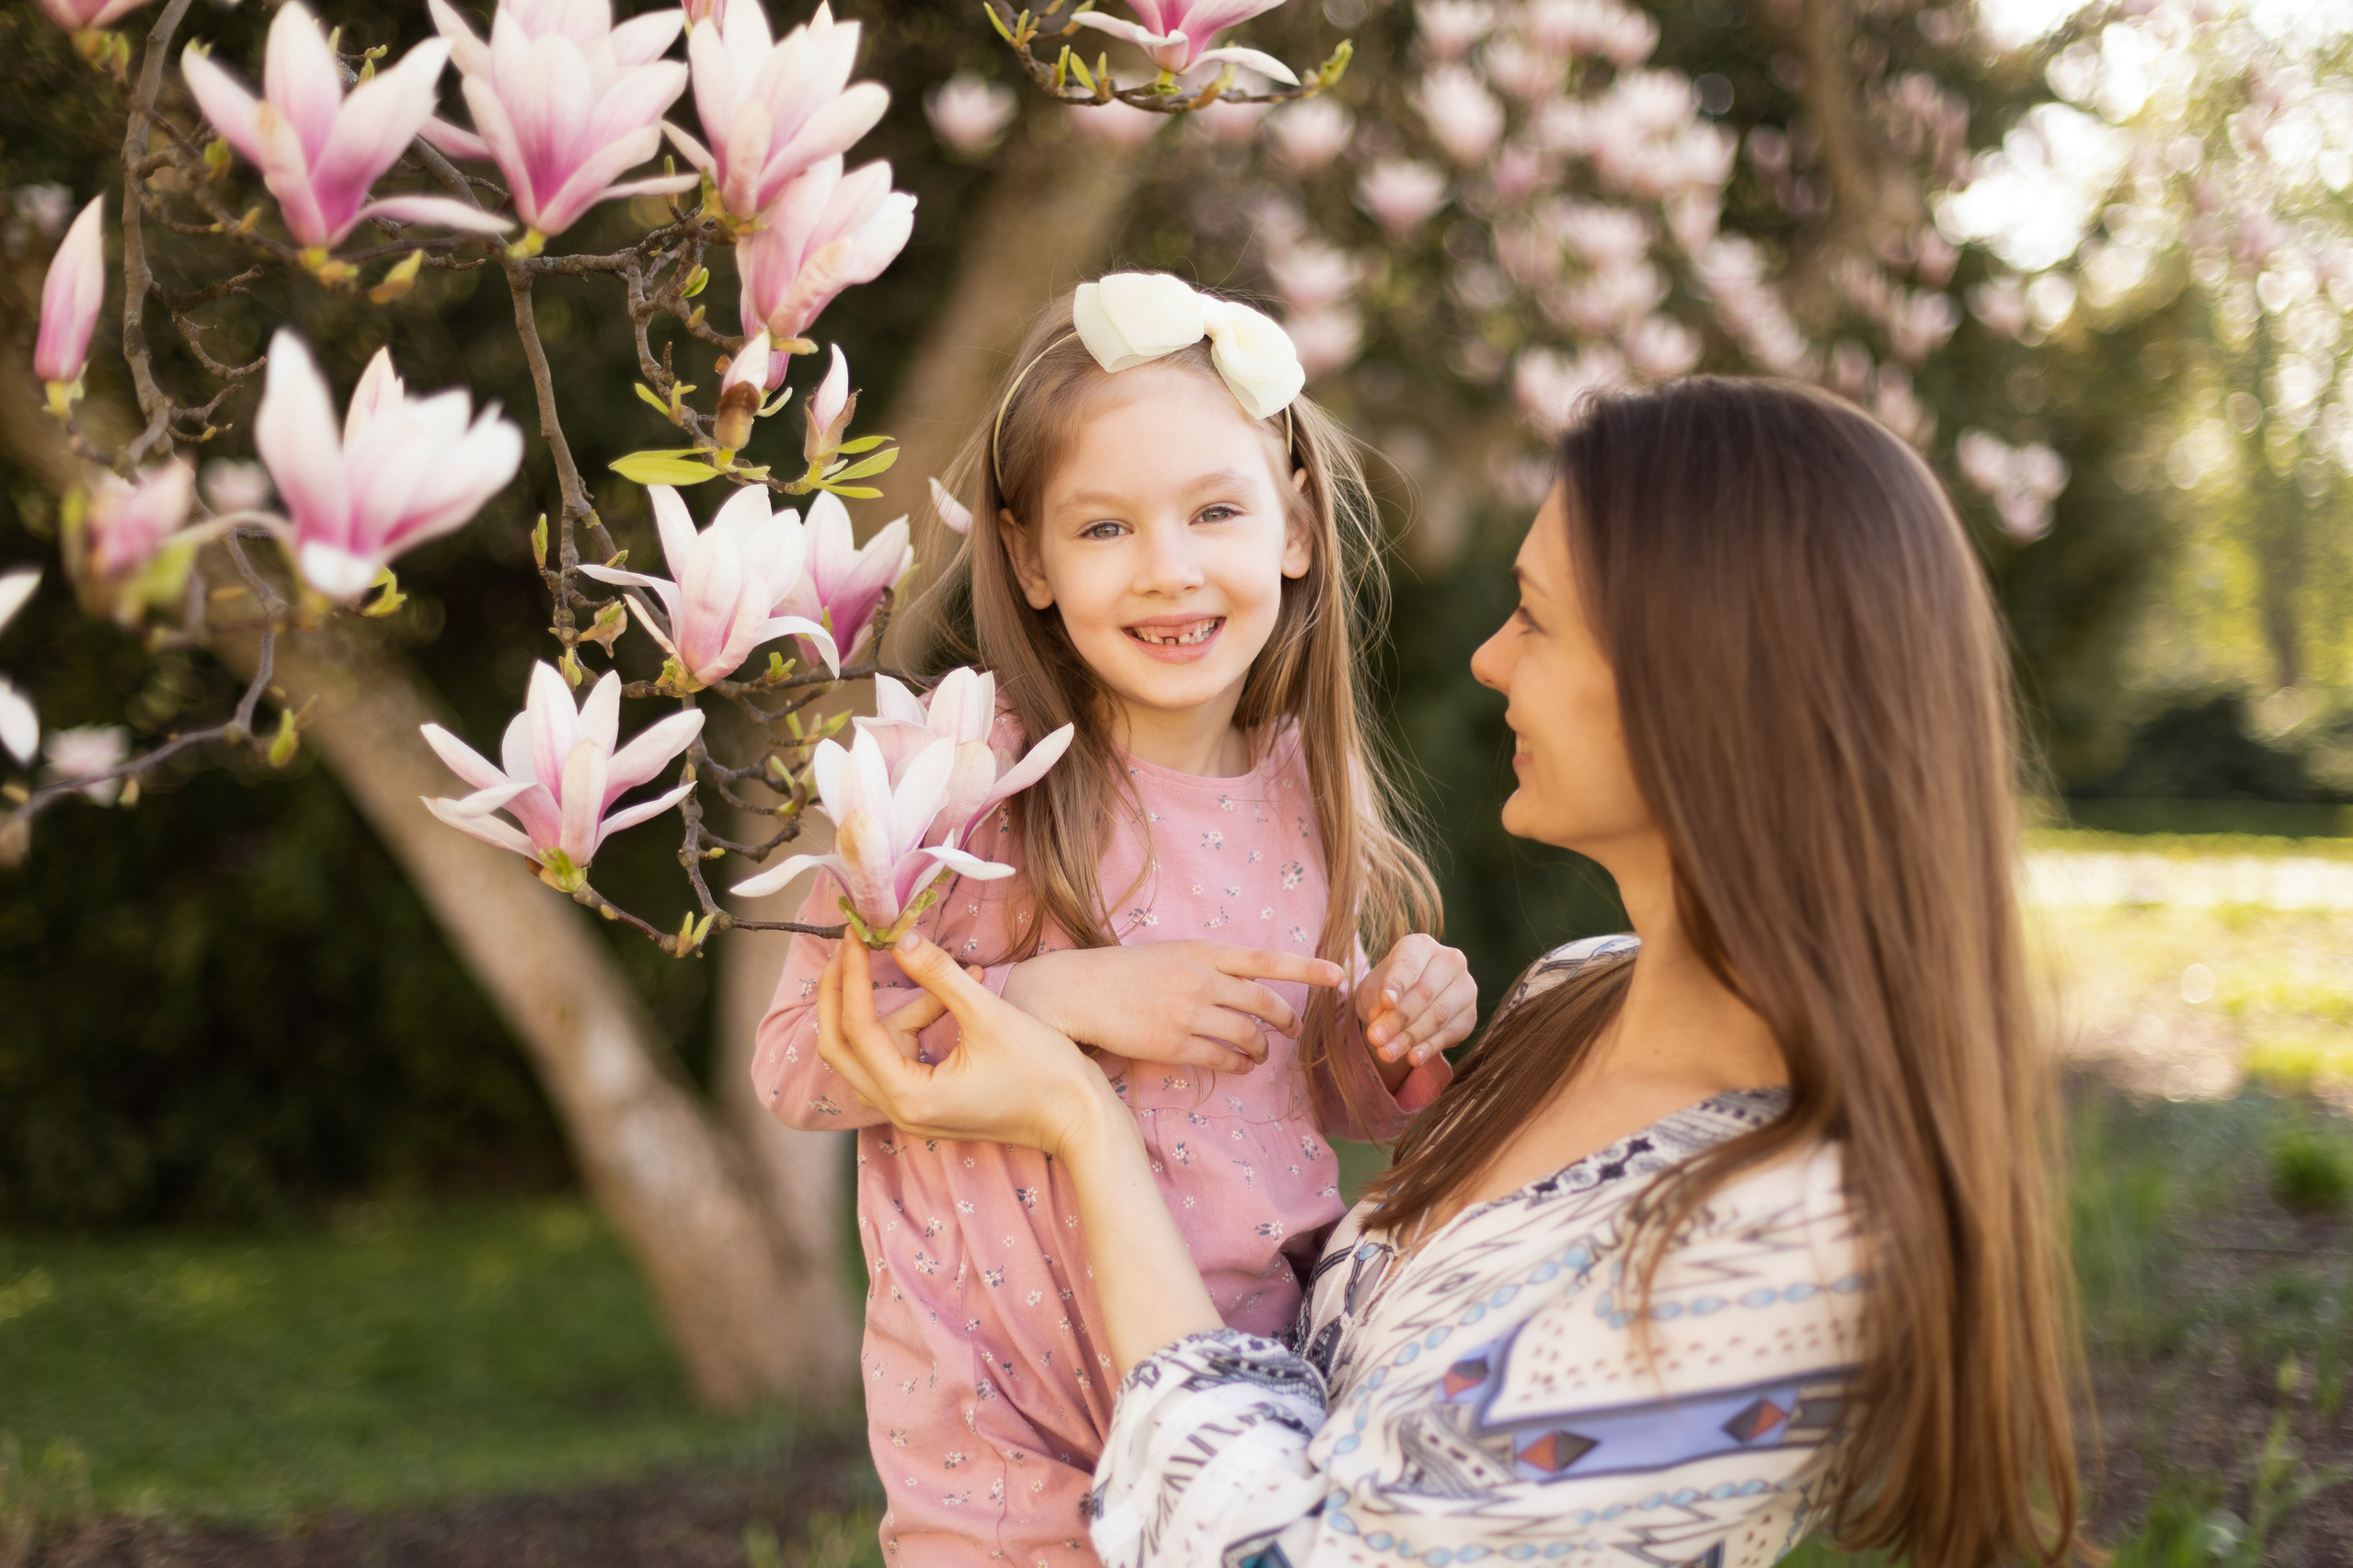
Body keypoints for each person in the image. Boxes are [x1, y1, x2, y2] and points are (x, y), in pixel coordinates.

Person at [815, 378, 2085, 1568]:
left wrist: (1083, 1120)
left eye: (1533, 615)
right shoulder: (1577, 997)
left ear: (1701, 685)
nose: (1485, 657)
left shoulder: (1779, 1242)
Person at [752, 273, 1480, 1566]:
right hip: (1000, 1455)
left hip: (1229, 1405)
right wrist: (1058, 996)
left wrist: (1388, 1026)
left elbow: (1327, 1093)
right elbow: (800, 1062)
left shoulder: (1307, 796)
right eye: (1104, 530)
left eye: (1215, 510)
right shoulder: (960, 785)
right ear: (1027, 557)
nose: (1169, 570)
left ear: (1295, 528)